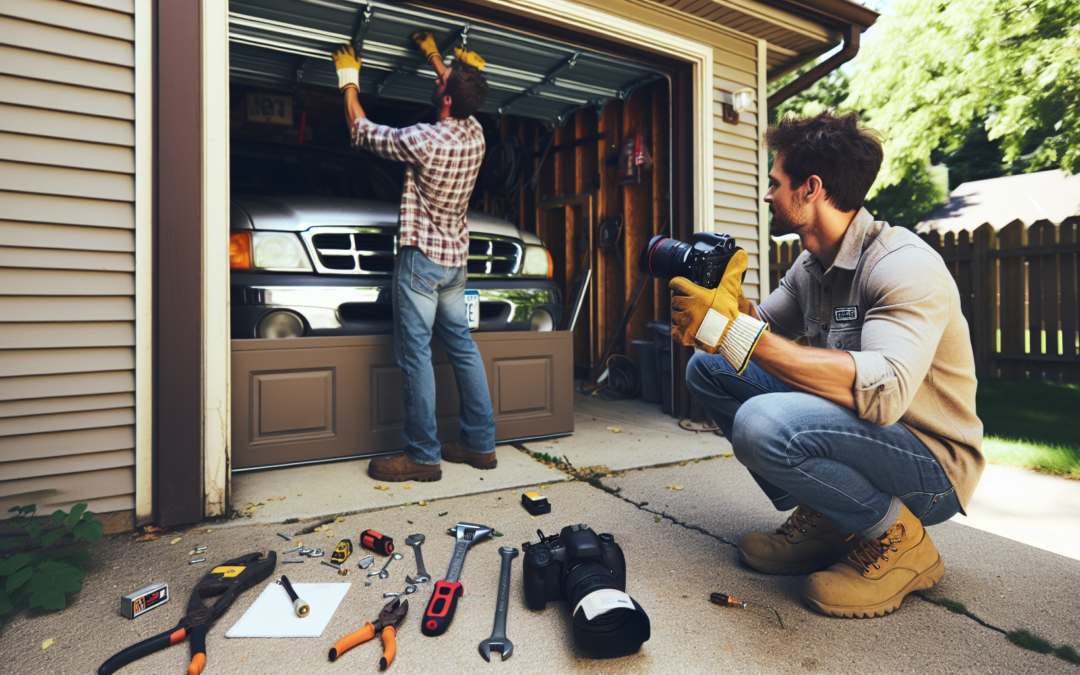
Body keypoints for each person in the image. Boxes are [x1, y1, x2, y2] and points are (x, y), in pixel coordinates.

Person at [672, 110, 983, 618]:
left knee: (761, 422)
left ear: (811, 188)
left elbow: (885, 394)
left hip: (930, 463)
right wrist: (726, 310)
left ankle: (899, 538)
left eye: (775, 183)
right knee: (709, 369)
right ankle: (826, 515)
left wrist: (734, 331)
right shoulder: (811, 266)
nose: (767, 195)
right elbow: (755, 336)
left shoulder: (901, 264)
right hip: (862, 434)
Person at [332, 34, 495, 483]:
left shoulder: (423, 139)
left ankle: (422, 455)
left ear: (446, 98)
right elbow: (456, 89)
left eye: (443, 78)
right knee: (463, 348)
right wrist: (434, 57)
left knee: (416, 356)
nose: (440, 78)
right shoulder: (475, 133)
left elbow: (361, 129)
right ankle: (480, 445)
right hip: (455, 263)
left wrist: (349, 79)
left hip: (421, 261)